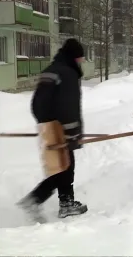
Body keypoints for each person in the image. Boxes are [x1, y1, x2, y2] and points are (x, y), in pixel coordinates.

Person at [17, 38, 88, 222]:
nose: (81, 61)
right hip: (61, 127)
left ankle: (65, 203)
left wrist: (45, 124)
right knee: (64, 166)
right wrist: (71, 133)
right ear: (74, 56)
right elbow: (69, 107)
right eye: (80, 58)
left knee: (62, 165)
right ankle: (37, 200)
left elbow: (36, 103)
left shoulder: (51, 70)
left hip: (48, 126)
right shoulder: (68, 73)